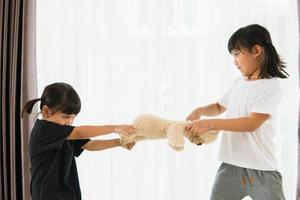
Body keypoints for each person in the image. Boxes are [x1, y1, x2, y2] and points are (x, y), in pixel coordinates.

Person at [185, 24, 288, 200]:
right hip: (230, 167)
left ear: (256, 50)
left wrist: (210, 124)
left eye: (236, 54)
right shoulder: (239, 83)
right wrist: (200, 111)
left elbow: (251, 123)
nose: (234, 61)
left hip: (261, 170)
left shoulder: (271, 86)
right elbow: (219, 106)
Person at [22, 82, 136, 200]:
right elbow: (80, 133)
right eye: (66, 117)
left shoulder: (65, 132)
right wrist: (114, 128)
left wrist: (119, 142)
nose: (70, 121)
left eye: (73, 117)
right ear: (46, 111)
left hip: (67, 194)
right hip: (47, 195)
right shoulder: (43, 130)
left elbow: (90, 145)